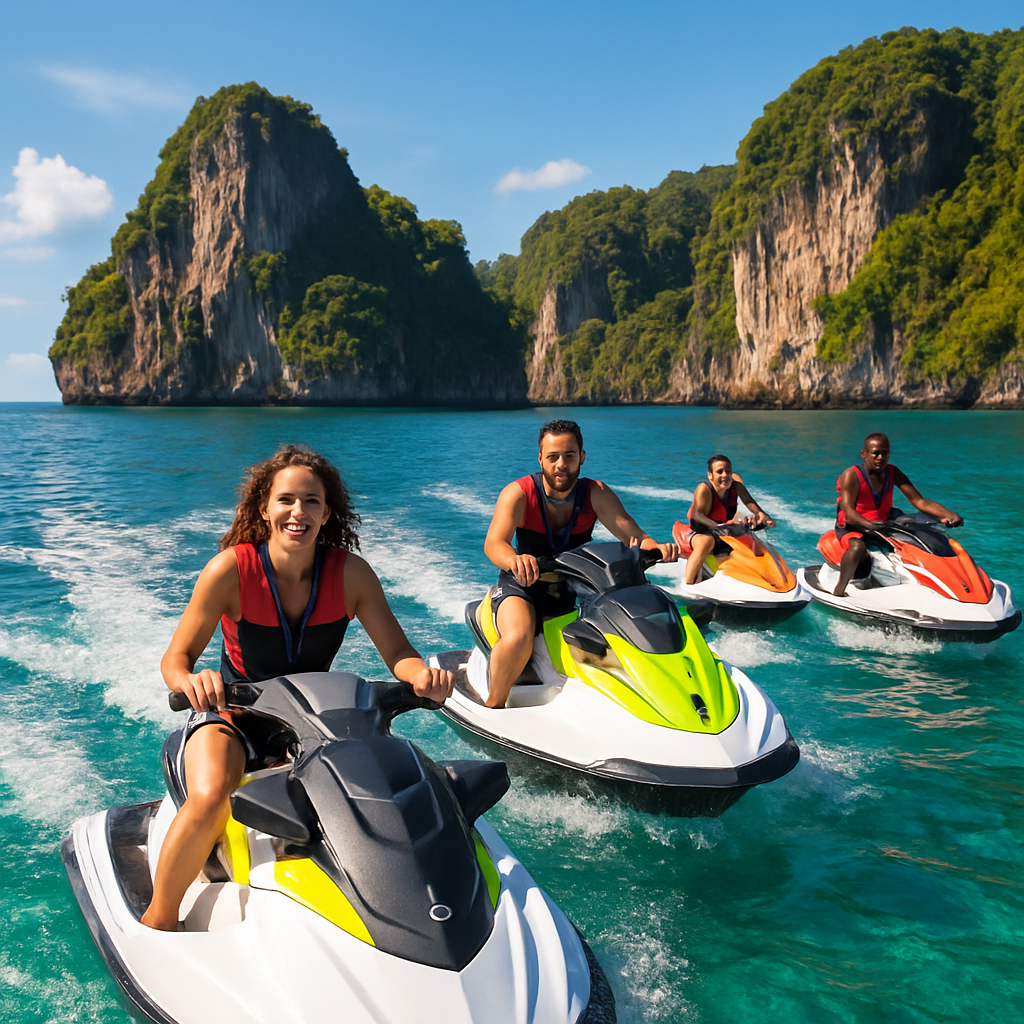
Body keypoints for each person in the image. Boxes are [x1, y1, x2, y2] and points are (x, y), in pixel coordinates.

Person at [141, 444, 453, 931]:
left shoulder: (351, 574)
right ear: (264, 507)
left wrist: (422, 677)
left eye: (311, 501)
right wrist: (192, 680)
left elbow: (399, 654)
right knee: (211, 796)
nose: (298, 512)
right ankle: (159, 920)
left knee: (392, 793)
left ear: (327, 513)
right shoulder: (231, 571)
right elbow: (175, 660)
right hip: (232, 717)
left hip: (313, 723)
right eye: (286, 499)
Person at [482, 419, 679, 710]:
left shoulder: (595, 493)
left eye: (569, 456)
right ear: (541, 459)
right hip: (524, 585)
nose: (561, 464)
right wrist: (514, 559)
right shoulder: (519, 493)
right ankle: (494, 705)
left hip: (573, 586)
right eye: (553, 457)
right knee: (519, 636)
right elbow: (494, 543)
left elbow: (635, 537)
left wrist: (658, 548)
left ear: (582, 457)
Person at [831, 432, 963, 597]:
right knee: (858, 548)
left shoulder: (893, 472)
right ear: (864, 454)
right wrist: (868, 524)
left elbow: (919, 501)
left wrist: (949, 514)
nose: (880, 457)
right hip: (854, 524)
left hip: (883, 520)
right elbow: (849, 511)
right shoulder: (851, 475)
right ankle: (839, 590)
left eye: (885, 453)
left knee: (922, 531)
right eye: (875, 453)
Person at [684, 454, 775, 585]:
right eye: (719, 472)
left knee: (749, 540)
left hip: (722, 530)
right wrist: (717, 527)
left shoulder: (735, 486)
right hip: (700, 532)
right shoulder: (704, 489)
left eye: (728, 471)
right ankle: (689, 583)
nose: (725, 475)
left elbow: (749, 501)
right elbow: (697, 515)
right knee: (706, 542)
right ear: (710, 475)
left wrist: (763, 515)